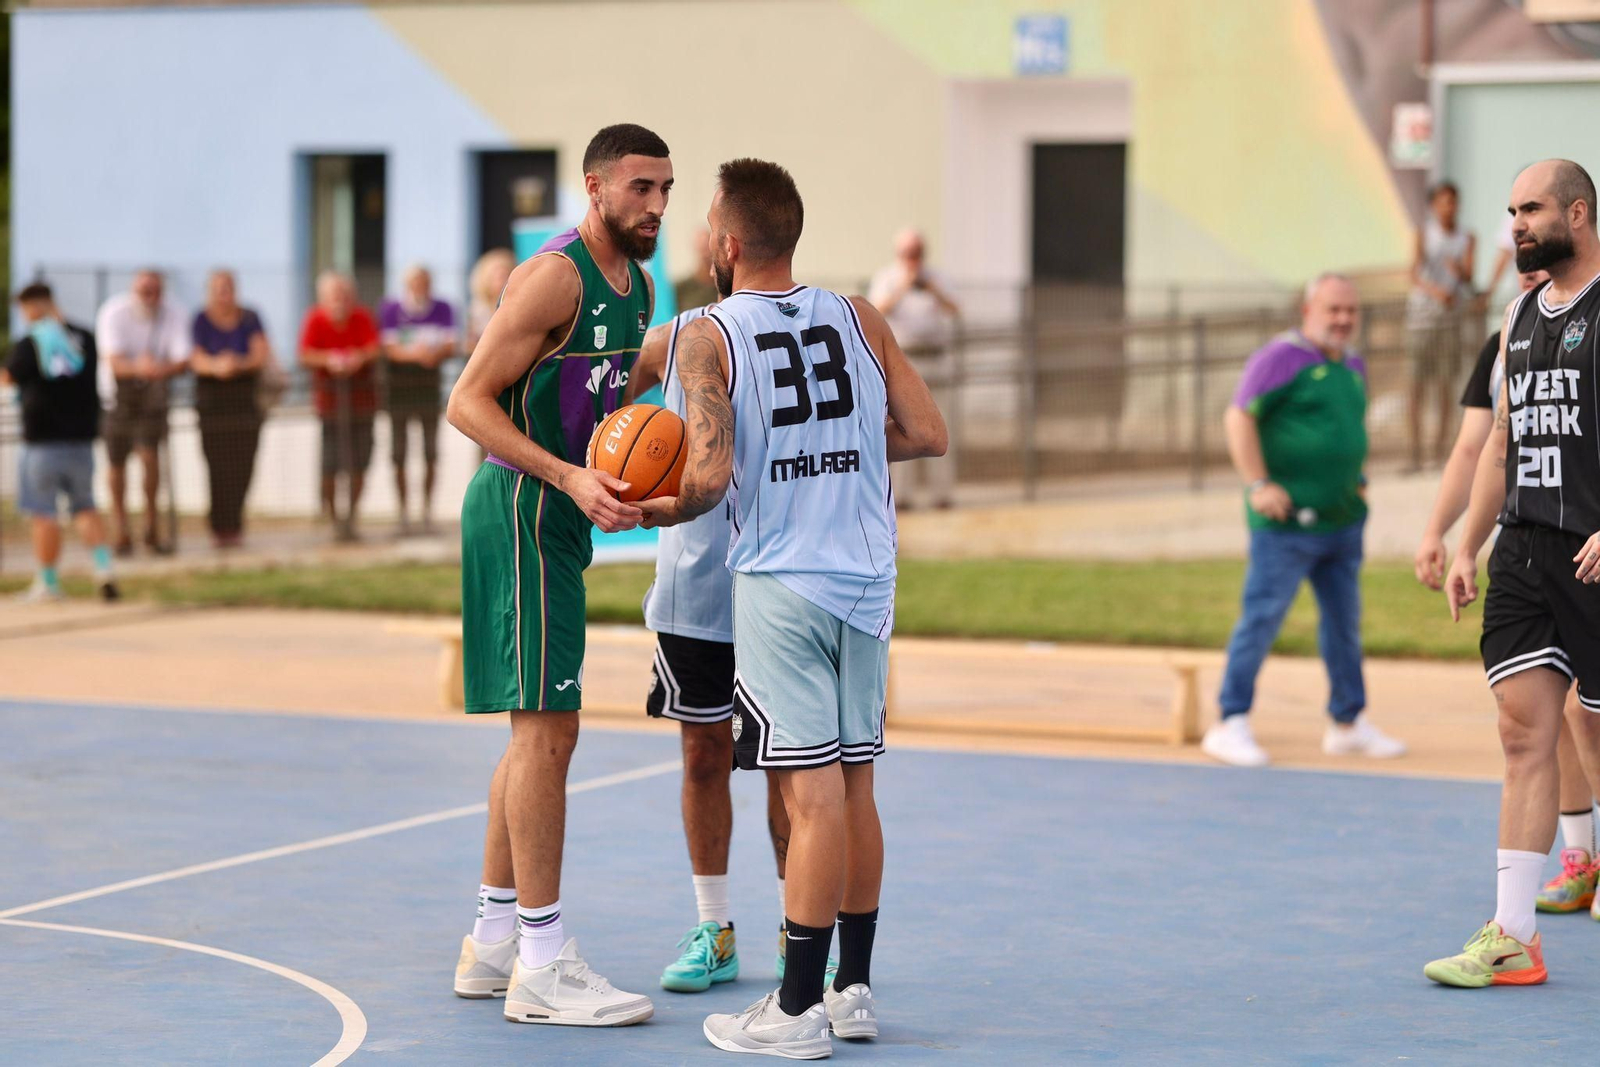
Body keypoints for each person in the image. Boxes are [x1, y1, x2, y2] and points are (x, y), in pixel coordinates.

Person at [637, 158, 946, 1058]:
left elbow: (705, 478)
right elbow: (927, 433)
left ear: (728, 245)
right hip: (868, 578)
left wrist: (644, 502)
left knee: (807, 799)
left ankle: (797, 1008)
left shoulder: (706, 333)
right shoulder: (860, 314)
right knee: (855, 787)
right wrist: (839, 444)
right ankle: (852, 990)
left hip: (782, 578)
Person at [445, 123, 672, 1028]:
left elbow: (603, 403)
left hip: (559, 515)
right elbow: (467, 400)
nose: (656, 203)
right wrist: (570, 475)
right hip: (521, 508)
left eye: (665, 187)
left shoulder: (641, 284)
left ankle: (494, 940)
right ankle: (542, 961)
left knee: (535, 729)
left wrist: (622, 464)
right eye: (640, 187)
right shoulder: (556, 275)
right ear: (595, 186)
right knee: (549, 730)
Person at [1432, 159, 1600, 986]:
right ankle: (1513, 934)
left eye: (1531, 208)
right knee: (1523, 731)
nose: (1517, 224)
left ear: (1579, 210)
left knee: (1595, 726)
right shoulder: (1519, 315)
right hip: (1528, 551)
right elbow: (1503, 441)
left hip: (1594, 550)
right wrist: (1469, 544)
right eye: (1511, 211)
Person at [625, 284, 804, 994]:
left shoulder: (797, 336)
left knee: (792, 767)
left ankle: (802, 933)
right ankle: (715, 928)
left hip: (780, 578)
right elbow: (609, 405)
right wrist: (611, 454)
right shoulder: (671, 341)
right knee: (703, 756)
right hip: (694, 586)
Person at [1202, 274, 1406, 768]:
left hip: (1342, 520)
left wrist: (1356, 474)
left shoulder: (1351, 364)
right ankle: (1229, 720)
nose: (1342, 320)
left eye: (1350, 311)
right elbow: (1239, 417)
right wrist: (1258, 485)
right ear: (1307, 309)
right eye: (1333, 309)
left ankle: (1347, 721)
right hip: (1286, 523)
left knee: (1344, 625)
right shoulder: (1279, 359)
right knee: (1263, 616)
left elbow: (1345, 428)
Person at [4, 283, 118, 601]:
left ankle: (48, 582)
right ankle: (104, 570)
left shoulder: (31, 342)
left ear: (33, 307)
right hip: (81, 439)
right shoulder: (85, 338)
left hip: (42, 442)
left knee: (43, 513)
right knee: (85, 507)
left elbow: (9, 376)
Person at [95, 269, 189, 555]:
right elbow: (114, 361)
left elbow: (182, 358)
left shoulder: (173, 313)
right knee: (116, 464)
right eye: (144, 288)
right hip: (117, 400)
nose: (150, 294)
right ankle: (120, 527)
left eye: (155, 289)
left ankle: (151, 525)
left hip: (152, 400)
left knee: (149, 457)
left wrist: (156, 368)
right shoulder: (114, 312)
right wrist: (142, 367)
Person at [867, 228, 959, 509]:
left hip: (936, 358)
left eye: (917, 253)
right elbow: (876, 312)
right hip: (904, 362)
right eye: (908, 253)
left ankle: (942, 494)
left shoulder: (937, 277)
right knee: (901, 426)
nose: (913, 259)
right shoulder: (888, 278)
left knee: (942, 425)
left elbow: (954, 309)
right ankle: (902, 496)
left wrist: (932, 290)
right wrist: (903, 288)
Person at [191, 269, 271, 548]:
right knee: (216, 465)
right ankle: (219, 526)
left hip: (244, 400)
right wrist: (216, 366)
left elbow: (261, 354)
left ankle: (235, 523)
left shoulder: (249, 317)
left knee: (243, 464)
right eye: (218, 289)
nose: (224, 294)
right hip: (213, 402)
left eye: (228, 288)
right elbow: (195, 357)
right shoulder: (201, 319)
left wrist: (237, 363)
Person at [299, 271, 380, 542]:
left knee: (360, 463)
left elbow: (374, 348)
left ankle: (351, 517)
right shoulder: (314, 319)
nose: (340, 301)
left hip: (362, 403)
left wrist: (357, 358)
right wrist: (329, 360)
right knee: (329, 466)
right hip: (330, 406)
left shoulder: (362, 317)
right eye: (334, 295)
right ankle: (334, 519)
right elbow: (305, 354)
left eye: (344, 295)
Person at [380, 265, 456, 535]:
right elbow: (389, 348)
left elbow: (450, 343)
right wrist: (417, 355)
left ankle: (426, 510)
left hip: (428, 389)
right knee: (399, 452)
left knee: (430, 451)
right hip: (399, 390)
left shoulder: (443, 308)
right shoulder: (391, 309)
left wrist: (431, 355)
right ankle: (403, 512)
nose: (421, 287)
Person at [1406, 181, 1476, 470]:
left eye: (1453, 201)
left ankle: (1439, 452)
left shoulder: (1467, 238)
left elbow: (1469, 278)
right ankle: (1415, 453)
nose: (1449, 207)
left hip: (1450, 322)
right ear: (1434, 205)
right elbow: (1413, 271)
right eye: (1443, 201)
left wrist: (1457, 270)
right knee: (1416, 386)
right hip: (1420, 320)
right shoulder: (1424, 234)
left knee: (1446, 386)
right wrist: (1436, 292)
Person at [466, 248, 516, 356]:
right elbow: (468, 344)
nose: (502, 281)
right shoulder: (476, 310)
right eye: (498, 277)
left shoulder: (517, 307)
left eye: (506, 275)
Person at [673, 227, 718, 313]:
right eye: (702, 247)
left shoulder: (726, 285)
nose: (706, 253)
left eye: (708, 247)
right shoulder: (681, 288)